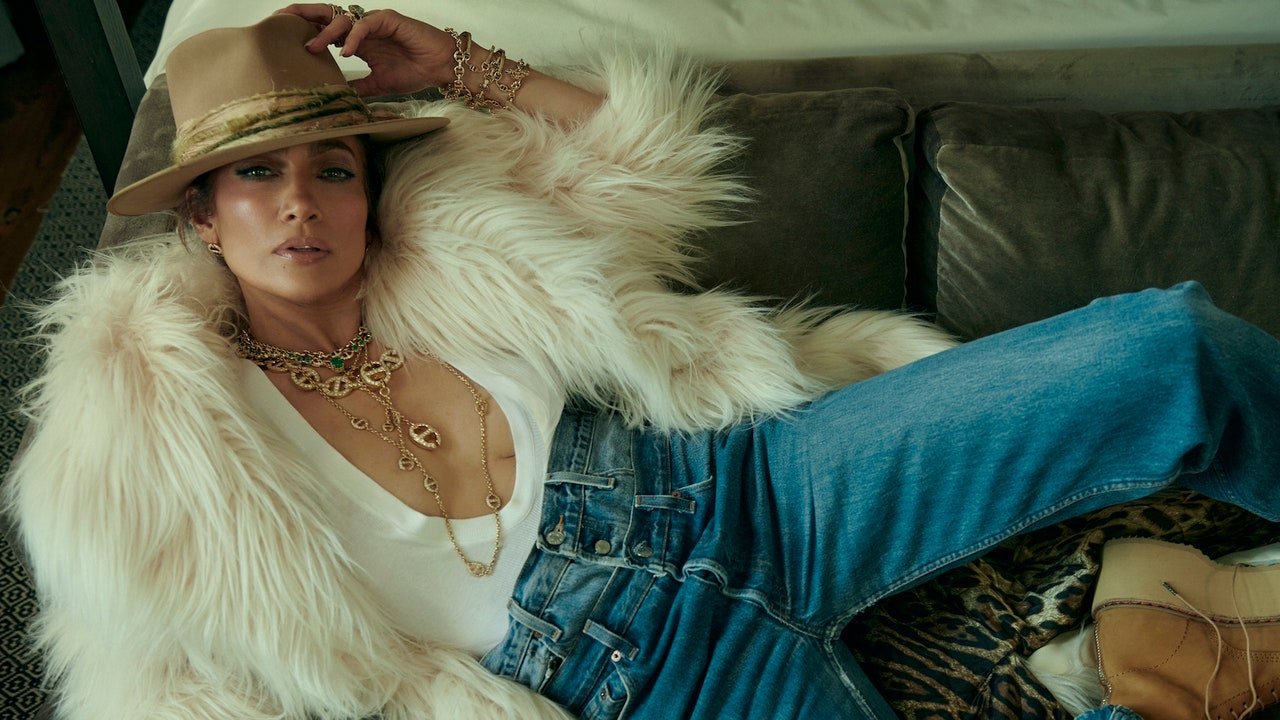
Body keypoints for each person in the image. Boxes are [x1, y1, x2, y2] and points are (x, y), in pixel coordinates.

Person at [5, 4, 1279, 719]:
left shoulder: (452, 258)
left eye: (330, 168)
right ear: (201, 214)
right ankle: (1134, 655)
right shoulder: (157, 447)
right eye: (255, 176)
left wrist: (458, 67)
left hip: (751, 487)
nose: (299, 203)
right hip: (636, 680)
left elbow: (643, 154)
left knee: (1164, 349)